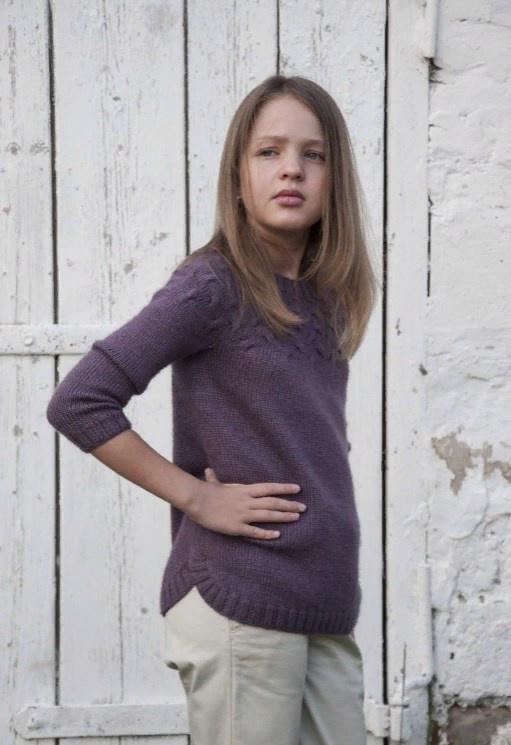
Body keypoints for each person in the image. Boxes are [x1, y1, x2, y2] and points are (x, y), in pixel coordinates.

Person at [46, 74, 379, 745]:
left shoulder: (327, 298)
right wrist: (197, 498)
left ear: (334, 179)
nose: (291, 168)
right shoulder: (213, 285)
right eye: (269, 152)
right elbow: (80, 400)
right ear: (237, 177)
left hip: (322, 603)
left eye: (313, 155)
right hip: (241, 599)